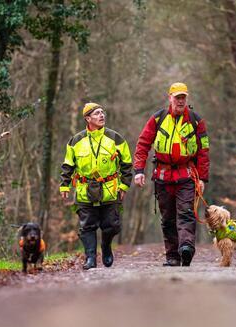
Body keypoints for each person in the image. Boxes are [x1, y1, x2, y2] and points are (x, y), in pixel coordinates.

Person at [133, 82, 210, 266]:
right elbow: (143, 144)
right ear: (170, 98)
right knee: (167, 218)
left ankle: (186, 248)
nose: (180, 101)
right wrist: (138, 170)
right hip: (163, 176)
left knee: (186, 213)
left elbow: (204, 151)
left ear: (187, 99)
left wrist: (203, 178)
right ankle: (173, 256)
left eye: (183, 97)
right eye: (177, 98)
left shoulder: (196, 121)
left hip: (187, 175)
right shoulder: (158, 119)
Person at [60, 103, 133, 270]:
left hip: (110, 190)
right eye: (97, 113)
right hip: (84, 190)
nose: (102, 116)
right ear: (87, 118)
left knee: (112, 225)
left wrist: (124, 186)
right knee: (87, 226)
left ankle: (106, 246)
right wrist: (64, 186)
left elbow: (127, 164)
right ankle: (90, 258)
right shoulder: (76, 140)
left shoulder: (115, 138)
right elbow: (68, 165)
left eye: (102, 112)